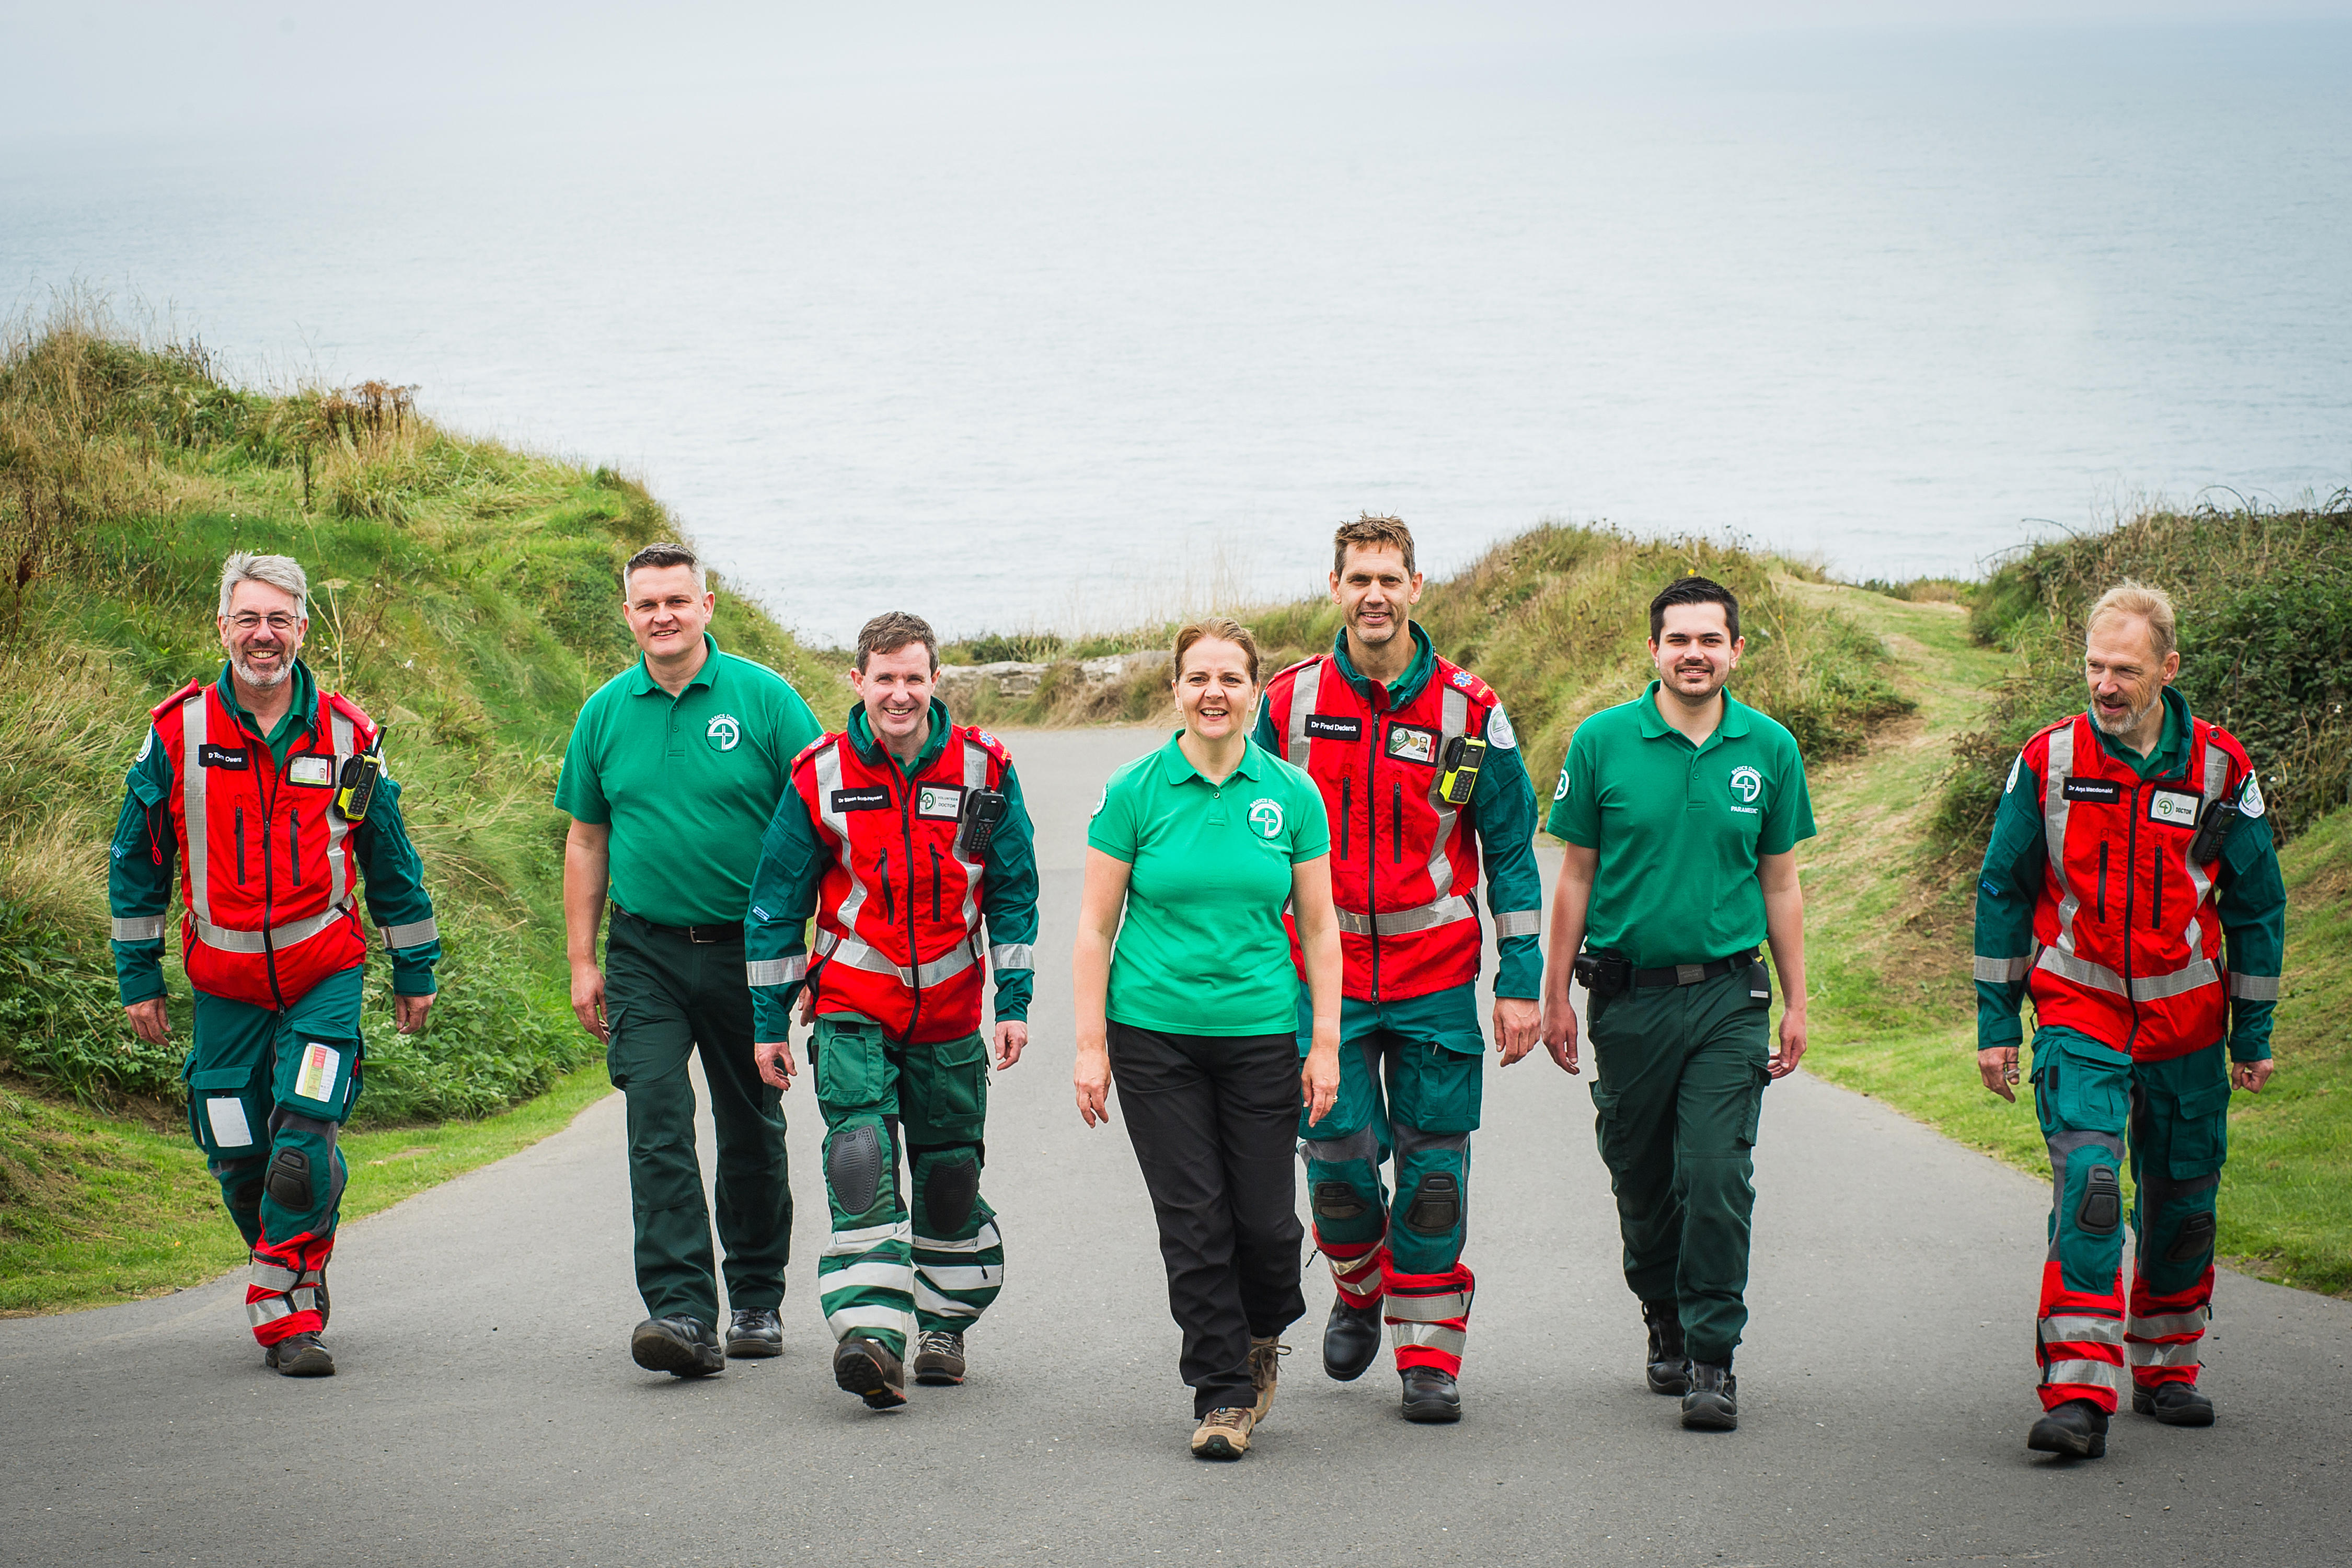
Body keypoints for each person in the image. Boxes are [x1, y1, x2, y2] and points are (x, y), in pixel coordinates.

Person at [1972, 581, 2285, 1460]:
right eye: (2094, 667)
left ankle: (2167, 1364)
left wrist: (2250, 1034)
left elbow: (2258, 905)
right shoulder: (2048, 761)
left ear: (2168, 669)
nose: (2105, 687)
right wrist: (1998, 1023)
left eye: (2125, 670)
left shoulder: (2223, 769)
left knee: (2185, 1201)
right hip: (2081, 1013)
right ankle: (2077, 1389)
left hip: (2187, 1024)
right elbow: (2003, 892)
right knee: (2093, 1190)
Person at [109, 551, 441, 1377]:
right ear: (223, 627)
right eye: (249, 619)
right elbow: (138, 861)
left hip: (322, 970)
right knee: (237, 1152)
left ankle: (283, 1307)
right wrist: (138, 976)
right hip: (222, 985)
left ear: (301, 627)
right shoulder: (175, 733)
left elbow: (388, 856)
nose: (265, 635)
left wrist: (414, 966)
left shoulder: (349, 736)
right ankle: (297, 1252)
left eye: (280, 619)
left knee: (302, 1138)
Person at [1252, 513, 1543, 1423]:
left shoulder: (1469, 709)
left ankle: (1428, 1356)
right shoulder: (1287, 704)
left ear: (1417, 587)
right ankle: (1359, 1284)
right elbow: (1246, 835)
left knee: (1433, 1172)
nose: (1374, 595)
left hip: (1435, 981)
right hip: (1319, 982)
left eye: (1390, 578)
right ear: (1335, 589)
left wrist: (1521, 980)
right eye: (1358, 579)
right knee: (1335, 1168)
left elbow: (1510, 847)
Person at [744, 612, 1039, 1411]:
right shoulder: (819, 773)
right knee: (860, 1161)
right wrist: (770, 1022)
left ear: (935, 680)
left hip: (949, 1017)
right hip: (851, 1011)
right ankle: (872, 1337)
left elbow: (1013, 892)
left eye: (914, 678)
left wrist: (1013, 1002)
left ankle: (945, 1324)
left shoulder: (984, 769)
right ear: (858, 683)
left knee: (949, 1178)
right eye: (885, 679)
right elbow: (776, 904)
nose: (900, 694)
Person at [1538, 575, 1813, 1433]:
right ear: (1653, 649)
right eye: (1679, 639)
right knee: (1644, 1180)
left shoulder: (1769, 748)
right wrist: (1553, 996)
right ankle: (1660, 1306)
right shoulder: (1601, 742)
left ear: (1736, 650)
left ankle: (1712, 1356)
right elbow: (1575, 875)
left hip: (1730, 997)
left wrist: (1798, 1001)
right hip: (1628, 1003)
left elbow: (1781, 881)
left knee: (1716, 1174)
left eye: (1711, 640)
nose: (1695, 654)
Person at [1074, 618, 1343, 1460]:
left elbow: (1321, 927)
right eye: (1198, 679)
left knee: (1266, 1228)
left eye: (1230, 678)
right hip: (1154, 1036)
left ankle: (1263, 1330)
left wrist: (1325, 1042)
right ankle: (1223, 1391)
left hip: (1262, 1032)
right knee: (1194, 1222)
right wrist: (1091, 1046)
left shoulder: (1292, 795)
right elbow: (1093, 927)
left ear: (1256, 692)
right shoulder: (1136, 789)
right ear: (1177, 690)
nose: (1214, 693)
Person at [557, 541, 820, 1377]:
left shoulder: (766, 700)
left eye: (678, 600)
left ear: (708, 605)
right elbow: (586, 840)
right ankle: (680, 1313)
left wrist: (812, 947)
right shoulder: (604, 713)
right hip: (645, 953)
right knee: (657, 1126)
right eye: (647, 604)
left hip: (753, 952)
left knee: (750, 1127)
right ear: (628, 614)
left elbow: (823, 822)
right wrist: (581, 960)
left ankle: (754, 1300)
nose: (663, 616)